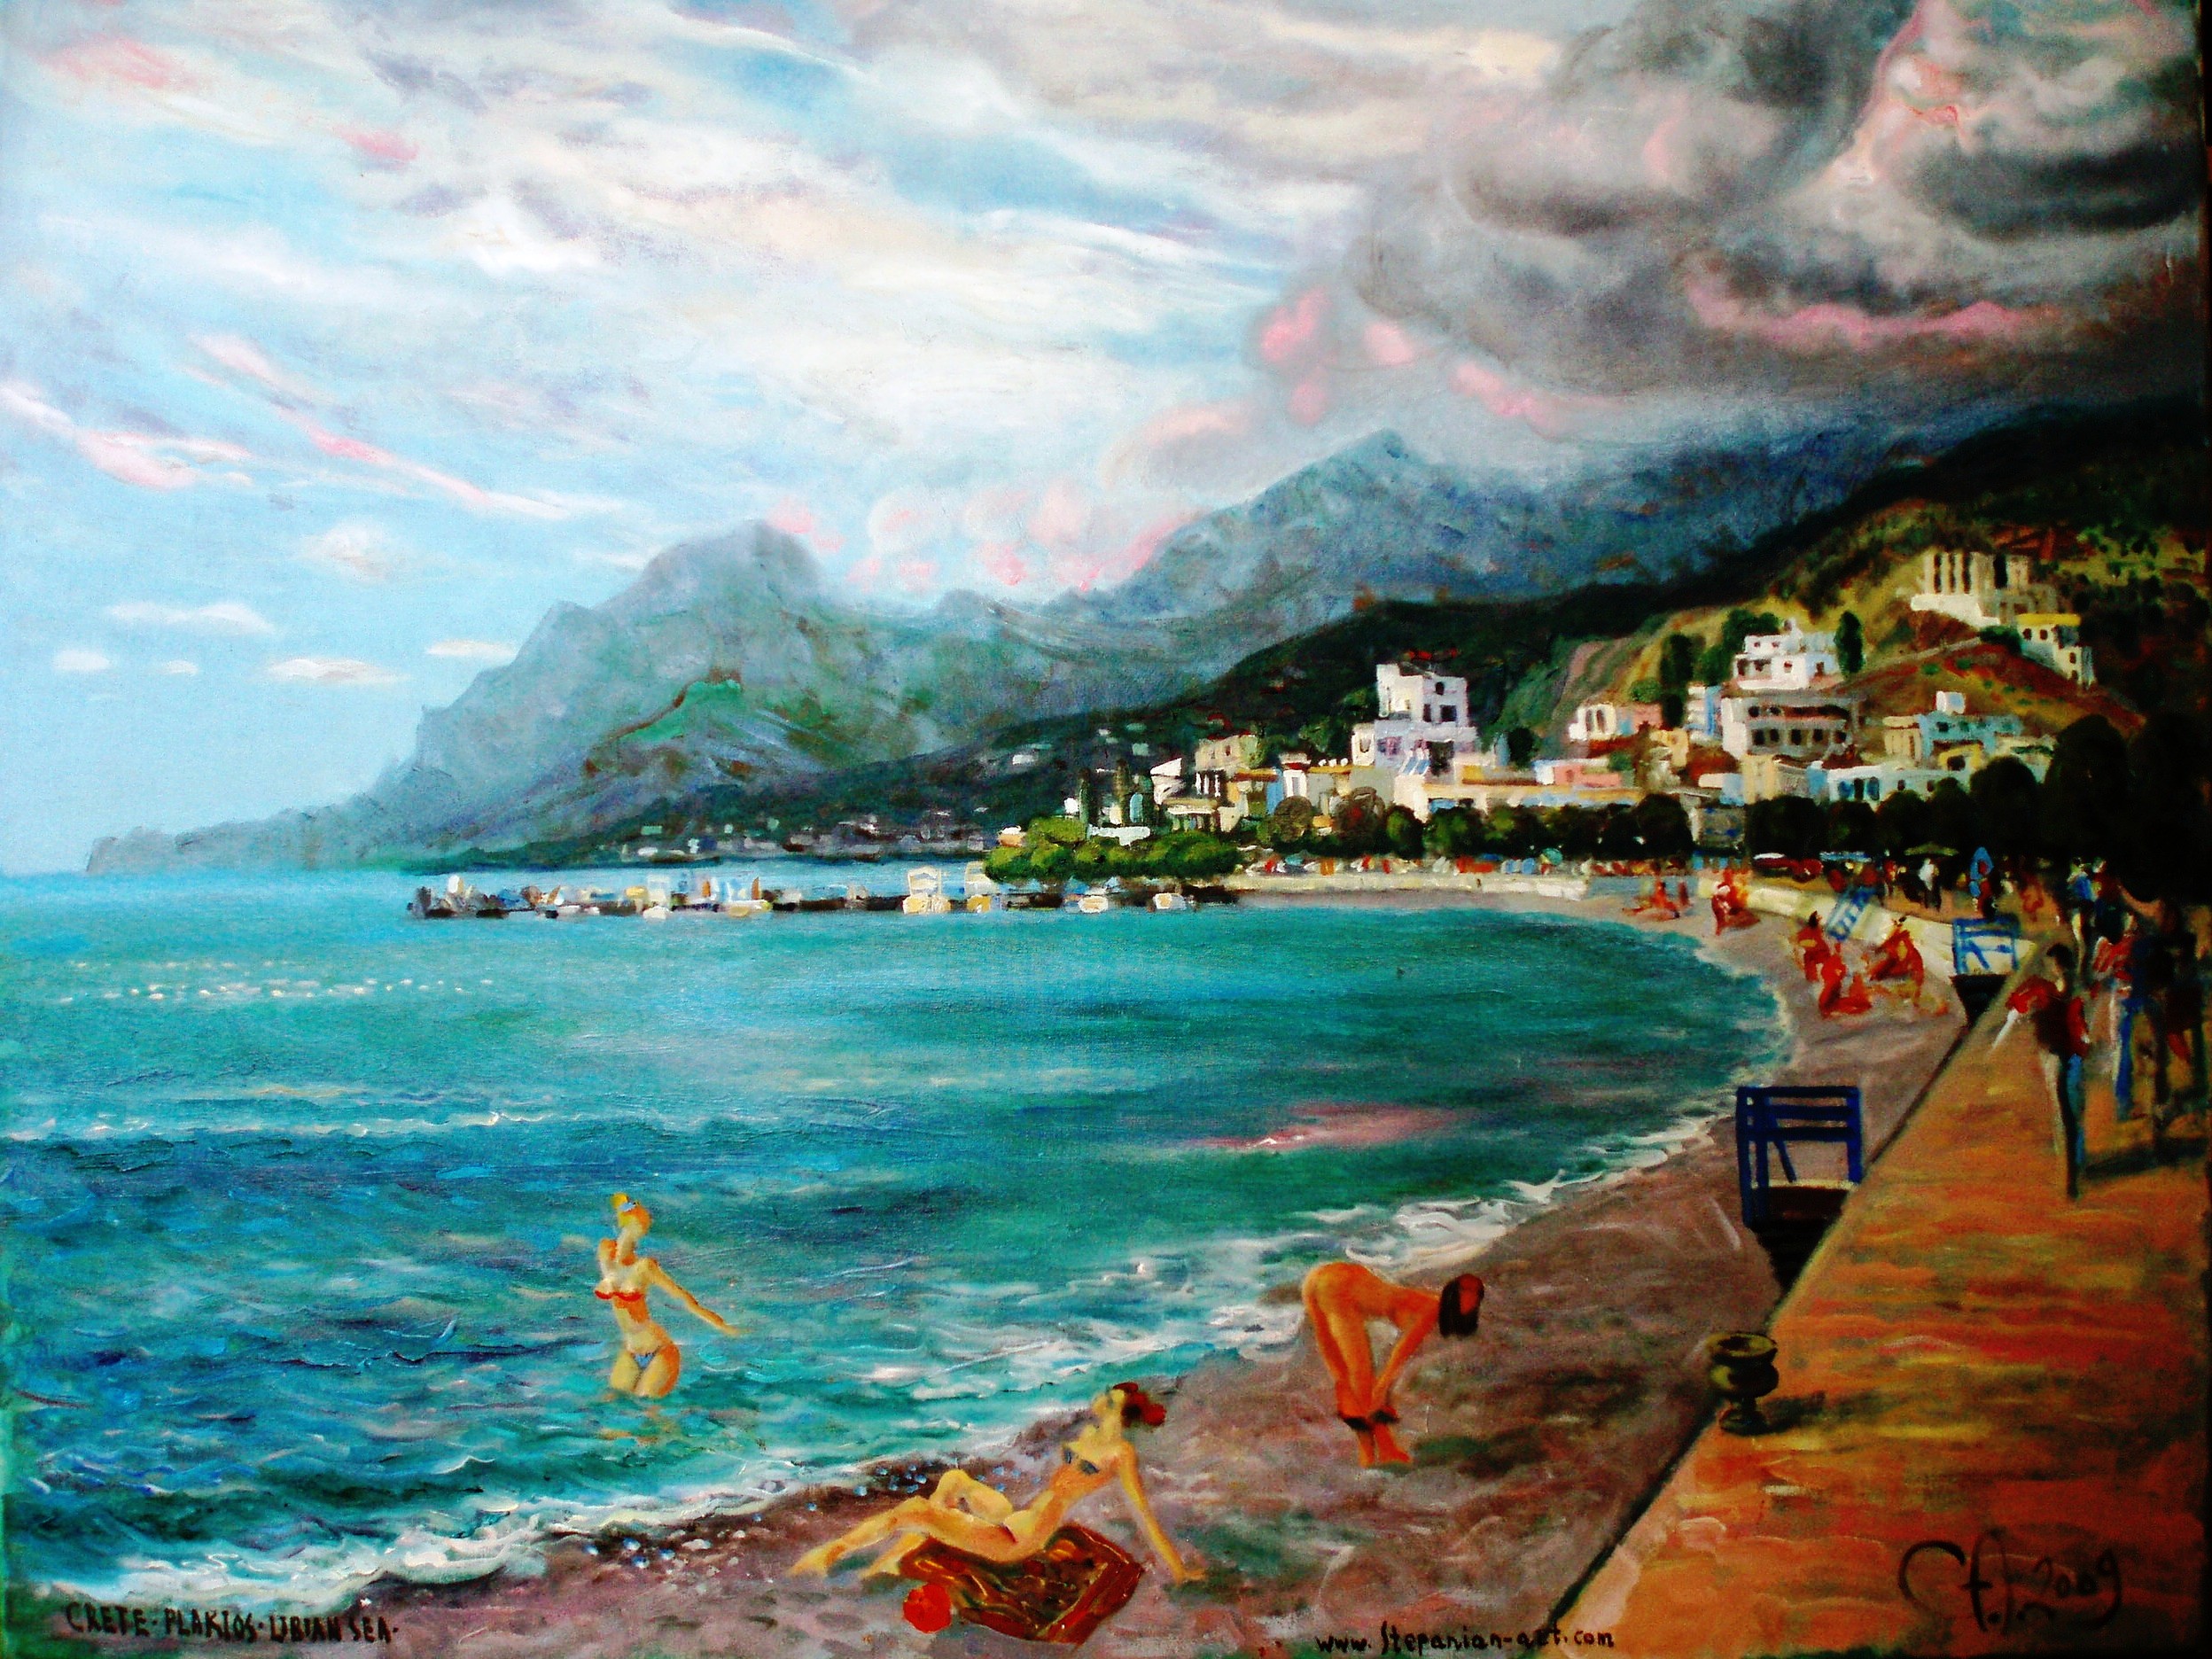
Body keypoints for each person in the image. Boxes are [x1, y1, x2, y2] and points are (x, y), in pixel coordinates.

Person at [790, 1383, 1196, 1583]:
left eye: (1107, 1394)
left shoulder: (1120, 1453)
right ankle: (898, 1554)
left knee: (914, 1509)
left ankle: (832, 1553)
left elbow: (1143, 1514)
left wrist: (1179, 1572)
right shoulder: (1087, 1436)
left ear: (1118, 1405)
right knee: (954, 1479)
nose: (1098, 1396)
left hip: (1020, 1539)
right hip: (1017, 1518)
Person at [1301, 1263, 1484, 1467]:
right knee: (1360, 1378)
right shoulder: (1432, 1308)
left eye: (1474, 1295)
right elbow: (1402, 1350)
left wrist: (1377, 1386)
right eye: (1466, 1293)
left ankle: (1382, 1448)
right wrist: (1383, 1384)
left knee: (1349, 1380)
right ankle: (1369, 1455)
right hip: (1339, 1287)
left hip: (1320, 1279)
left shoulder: (1427, 1302)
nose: (1470, 1300)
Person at [595, 1193, 737, 1398]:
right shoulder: (605, 1251)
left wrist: (722, 1326)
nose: (637, 1235)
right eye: (635, 1228)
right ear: (623, 1224)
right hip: (630, 1351)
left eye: (640, 1231)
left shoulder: (644, 1267)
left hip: (660, 1349)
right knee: (610, 1403)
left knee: (647, 1407)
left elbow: (684, 1299)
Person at [1999, 947, 2090, 1198]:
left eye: (2054, 965)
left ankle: (2072, 1173)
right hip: (2063, 1052)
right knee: (2068, 1111)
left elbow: (2072, 1017)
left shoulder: (2056, 990)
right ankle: (2073, 1170)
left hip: (2061, 1052)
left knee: (2067, 1112)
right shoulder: (2058, 988)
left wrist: (2035, 1009)